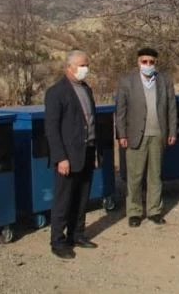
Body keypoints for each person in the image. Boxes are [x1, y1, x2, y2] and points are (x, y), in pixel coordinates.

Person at [44, 50, 99, 259]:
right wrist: (61, 158)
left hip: (87, 150)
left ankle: (77, 234)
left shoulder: (86, 89)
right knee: (63, 199)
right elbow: (52, 129)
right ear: (70, 67)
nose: (87, 69)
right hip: (68, 156)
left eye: (87, 65)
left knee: (82, 196)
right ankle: (57, 241)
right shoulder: (56, 92)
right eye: (83, 65)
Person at [115, 47, 178, 228]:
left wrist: (172, 131)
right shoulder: (127, 81)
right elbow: (120, 111)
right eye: (144, 62)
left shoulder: (164, 80)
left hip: (158, 133)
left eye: (151, 62)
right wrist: (122, 134)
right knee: (135, 176)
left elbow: (171, 108)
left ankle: (154, 211)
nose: (148, 65)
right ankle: (134, 212)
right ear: (138, 62)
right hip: (136, 135)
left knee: (155, 175)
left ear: (156, 63)